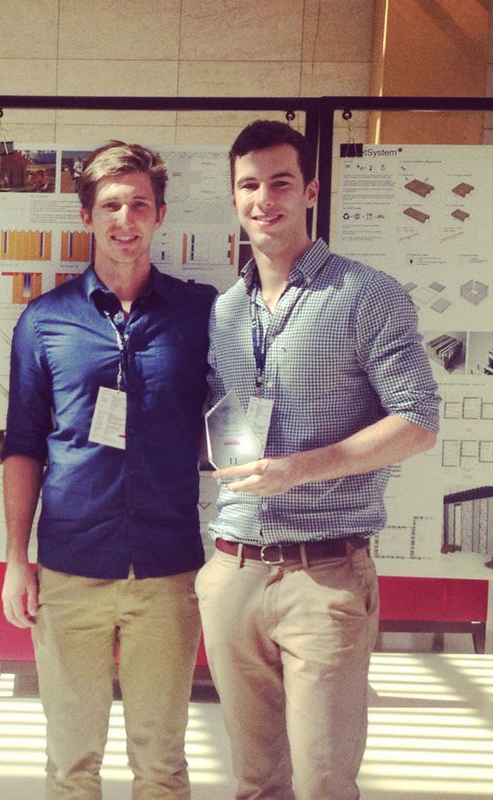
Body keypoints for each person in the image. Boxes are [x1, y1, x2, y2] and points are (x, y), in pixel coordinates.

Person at [199, 120, 439, 800]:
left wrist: (299, 467)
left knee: (325, 783)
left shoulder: (367, 294)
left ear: (310, 190)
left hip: (325, 574)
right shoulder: (223, 312)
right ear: (234, 197)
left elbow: (418, 420)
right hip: (234, 567)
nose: (263, 199)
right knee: (253, 781)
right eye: (248, 185)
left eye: (279, 182)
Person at [1, 141, 215, 799]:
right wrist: (15, 558)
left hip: (168, 569)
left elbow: (242, 421)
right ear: (87, 215)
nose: (126, 220)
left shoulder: (201, 313)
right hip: (70, 568)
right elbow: (23, 446)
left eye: (140, 205)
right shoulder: (45, 321)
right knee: (71, 766)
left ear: (161, 215)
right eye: (112, 205)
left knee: (162, 766)